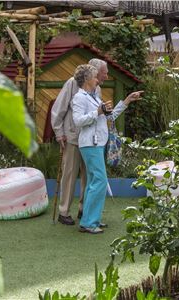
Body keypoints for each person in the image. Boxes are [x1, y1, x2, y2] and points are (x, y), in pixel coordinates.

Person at [72, 64, 142, 234]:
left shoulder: (94, 96)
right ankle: (89, 222)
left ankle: (90, 219)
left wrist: (126, 101)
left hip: (97, 143)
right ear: (88, 79)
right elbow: (78, 121)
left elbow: (109, 116)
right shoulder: (79, 98)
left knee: (93, 182)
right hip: (90, 144)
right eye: (95, 77)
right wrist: (97, 112)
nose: (98, 80)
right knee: (100, 181)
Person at [51, 59, 109, 225]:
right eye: (104, 72)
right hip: (72, 137)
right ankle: (64, 211)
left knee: (89, 176)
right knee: (69, 173)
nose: (105, 76)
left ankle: (85, 210)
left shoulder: (97, 88)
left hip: (91, 140)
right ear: (94, 73)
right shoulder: (72, 83)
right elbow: (59, 109)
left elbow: (97, 112)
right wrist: (58, 132)